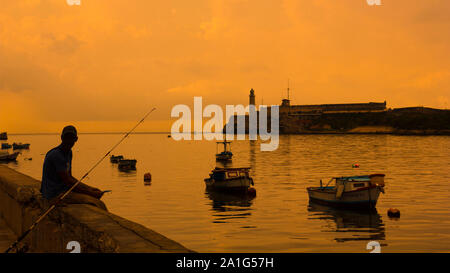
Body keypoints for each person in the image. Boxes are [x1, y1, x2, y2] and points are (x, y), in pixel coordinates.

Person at [41, 125, 107, 210]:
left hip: (64, 190)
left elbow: (70, 177)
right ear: (61, 138)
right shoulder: (56, 155)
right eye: (66, 138)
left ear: (76, 139)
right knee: (98, 203)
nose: (69, 141)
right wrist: (91, 194)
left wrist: (90, 188)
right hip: (55, 194)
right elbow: (68, 181)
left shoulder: (69, 153)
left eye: (71, 138)